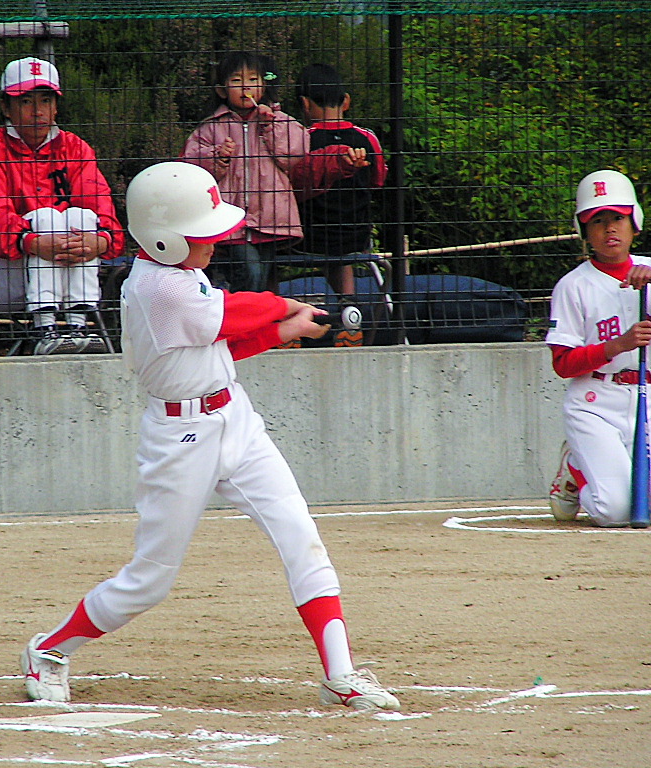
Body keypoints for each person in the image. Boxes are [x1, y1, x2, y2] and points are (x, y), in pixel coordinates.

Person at [20, 161, 400, 712]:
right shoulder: (156, 286)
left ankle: (340, 674)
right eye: (201, 234)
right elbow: (232, 313)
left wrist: (287, 329)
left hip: (236, 420)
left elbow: (220, 348)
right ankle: (50, 649)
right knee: (150, 580)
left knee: (301, 535)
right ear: (163, 237)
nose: (214, 242)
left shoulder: (184, 275)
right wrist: (284, 307)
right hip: (180, 437)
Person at [546, 169, 651, 527]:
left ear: (634, 223)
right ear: (584, 231)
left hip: (644, 400)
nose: (609, 229)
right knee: (613, 512)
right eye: (598, 221)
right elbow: (563, 364)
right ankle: (575, 467)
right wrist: (617, 345)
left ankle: (608, 469)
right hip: (592, 402)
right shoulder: (573, 285)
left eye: (618, 219)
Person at [0, 57, 124, 355]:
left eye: (45, 100)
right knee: (47, 218)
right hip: (1, 277)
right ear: (6, 107)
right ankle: (44, 329)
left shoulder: (75, 147)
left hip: (66, 266)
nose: (38, 111)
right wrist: (35, 242)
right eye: (25, 101)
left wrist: (99, 241)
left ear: (56, 106)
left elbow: (102, 211)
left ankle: (78, 325)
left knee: (81, 218)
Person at [181, 52, 309, 292]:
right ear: (222, 90)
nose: (245, 86)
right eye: (237, 80)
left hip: (270, 216)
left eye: (252, 79)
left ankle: (249, 313)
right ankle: (241, 313)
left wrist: (271, 126)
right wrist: (217, 156)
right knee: (250, 272)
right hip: (230, 219)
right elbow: (191, 164)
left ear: (263, 86)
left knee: (262, 277)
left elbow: (295, 153)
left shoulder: (280, 121)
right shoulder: (211, 127)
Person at [290, 63, 387, 295]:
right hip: (355, 237)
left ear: (304, 103)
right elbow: (378, 181)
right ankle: (349, 307)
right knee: (341, 256)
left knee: (267, 251)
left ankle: (274, 309)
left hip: (308, 240)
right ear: (346, 101)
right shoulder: (367, 138)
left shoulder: (301, 139)